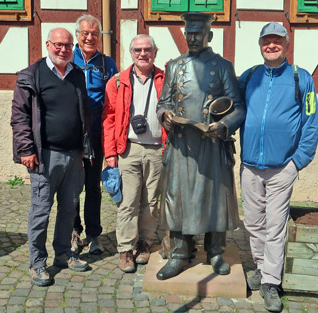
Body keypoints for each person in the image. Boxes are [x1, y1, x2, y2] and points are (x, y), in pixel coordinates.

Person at [156, 12, 246, 280]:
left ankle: (216, 252)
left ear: (210, 35)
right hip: (182, 145)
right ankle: (179, 254)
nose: (192, 38)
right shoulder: (175, 66)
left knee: (214, 199)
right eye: (189, 34)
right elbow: (164, 102)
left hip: (211, 144)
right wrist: (166, 115)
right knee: (178, 199)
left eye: (198, 33)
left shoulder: (222, 66)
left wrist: (224, 125)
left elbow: (238, 107)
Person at [238, 22, 318, 312]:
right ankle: (262, 269)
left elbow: (311, 124)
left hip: (282, 168)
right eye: (266, 42)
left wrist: (296, 163)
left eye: (277, 41)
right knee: (253, 223)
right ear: (260, 45)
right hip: (249, 167)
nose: (271, 46)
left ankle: (271, 282)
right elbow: (223, 100)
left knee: (275, 226)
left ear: (287, 44)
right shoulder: (249, 77)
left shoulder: (302, 79)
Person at [11, 28, 91, 287]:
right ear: (47, 45)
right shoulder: (31, 75)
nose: (63, 50)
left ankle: (64, 254)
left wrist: (83, 147)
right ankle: (37, 263)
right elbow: (20, 117)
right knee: (41, 211)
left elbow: (83, 114)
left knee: (69, 208)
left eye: (68, 46)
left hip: (73, 154)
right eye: (58, 45)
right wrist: (26, 149)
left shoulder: (77, 75)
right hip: (44, 156)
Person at [102, 34, 166, 273]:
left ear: (155, 52)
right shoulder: (118, 81)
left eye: (147, 49)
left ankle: (145, 243)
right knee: (128, 201)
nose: (143, 53)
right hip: (128, 148)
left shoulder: (164, 79)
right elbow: (108, 119)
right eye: (138, 49)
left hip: (158, 148)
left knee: (150, 201)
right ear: (131, 53)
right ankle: (126, 249)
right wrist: (110, 153)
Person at [71, 14, 118, 255]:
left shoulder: (107, 64)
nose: (90, 37)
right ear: (77, 35)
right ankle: (73, 231)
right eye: (85, 33)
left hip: (97, 134)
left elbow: (116, 101)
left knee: (92, 186)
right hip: (71, 134)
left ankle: (93, 235)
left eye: (94, 34)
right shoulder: (67, 60)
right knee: (71, 187)